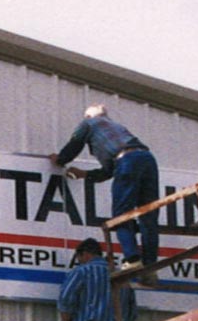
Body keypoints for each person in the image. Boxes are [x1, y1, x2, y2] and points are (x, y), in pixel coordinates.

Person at [50, 105, 159, 284]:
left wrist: (61, 160)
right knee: (148, 214)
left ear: (88, 116)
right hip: (147, 160)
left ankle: (132, 260)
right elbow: (109, 171)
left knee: (121, 214)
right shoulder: (118, 130)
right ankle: (150, 267)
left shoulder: (90, 123)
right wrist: (85, 174)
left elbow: (75, 144)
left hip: (126, 161)